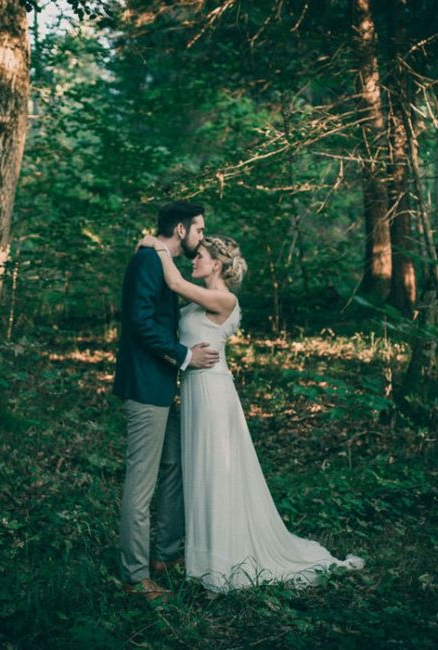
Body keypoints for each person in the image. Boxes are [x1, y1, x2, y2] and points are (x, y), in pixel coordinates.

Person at [137, 233, 365, 593]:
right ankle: (203, 557)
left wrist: (158, 246)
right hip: (194, 393)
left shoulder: (224, 299)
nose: (193, 260)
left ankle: (221, 562)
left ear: (218, 265)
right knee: (198, 472)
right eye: (193, 255)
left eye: (200, 256)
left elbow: (175, 282)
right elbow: (170, 330)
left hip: (212, 395)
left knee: (215, 472)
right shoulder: (196, 306)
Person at [112, 201, 220, 601]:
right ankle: (135, 576)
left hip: (162, 385)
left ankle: (166, 555)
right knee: (141, 482)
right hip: (144, 387)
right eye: (199, 230)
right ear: (180, 229)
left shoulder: (164, 262)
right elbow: (138, 323)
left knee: (174, 464)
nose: (201, 237)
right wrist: (186, 356)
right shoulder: (146, 261)